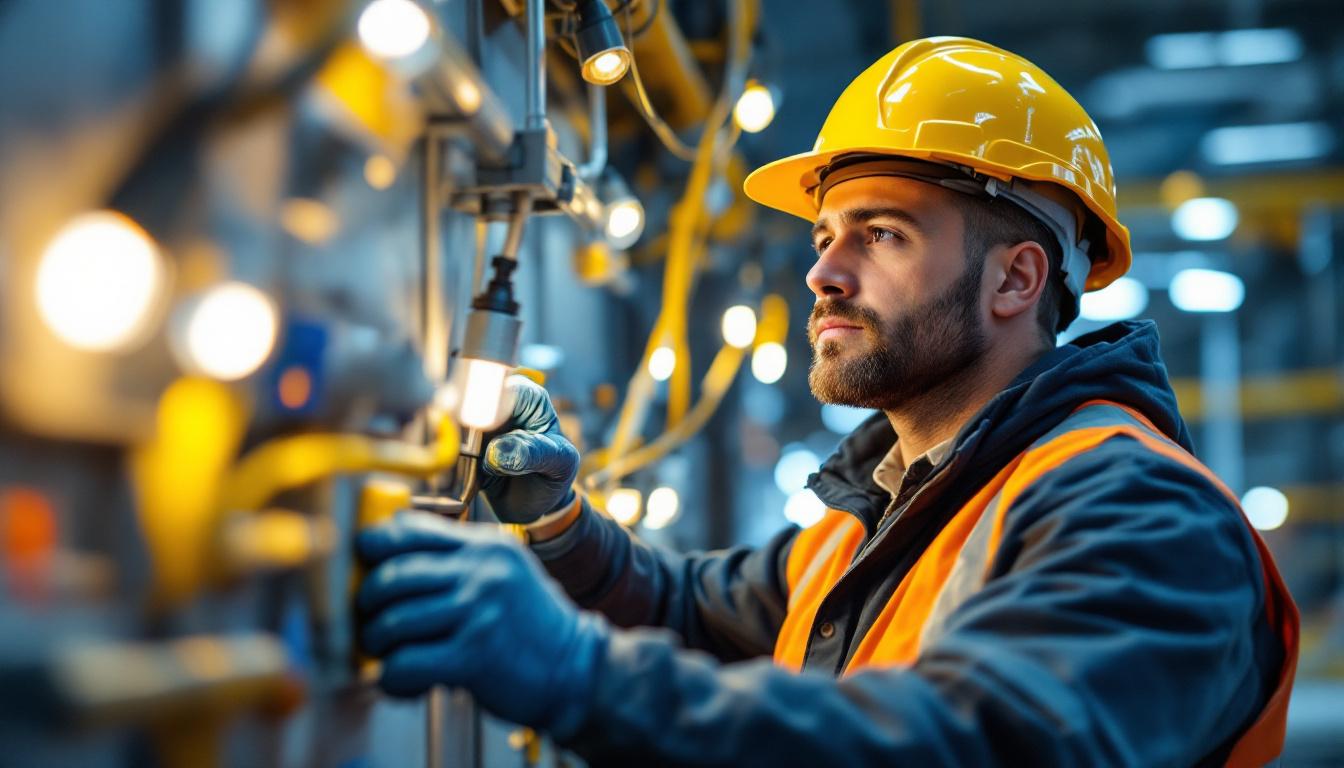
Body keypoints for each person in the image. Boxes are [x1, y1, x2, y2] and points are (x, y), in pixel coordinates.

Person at [355, 37, 1298, 766]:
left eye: (880, 235)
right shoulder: (888, 516)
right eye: (823, 235)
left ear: (1016, 280)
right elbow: (690, 612)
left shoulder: (1141, 517)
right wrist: (560, 526)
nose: (822, 274)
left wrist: (577, 675)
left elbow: (973, 746)